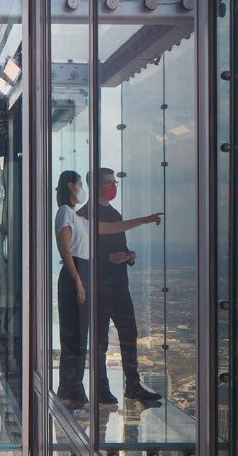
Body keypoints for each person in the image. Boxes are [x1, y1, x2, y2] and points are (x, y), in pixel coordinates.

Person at [54, 171, 161, 409]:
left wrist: (130, 251)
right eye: (108, 182)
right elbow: (70, 250)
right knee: (92, 340)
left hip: (117, 283)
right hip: (95, 284)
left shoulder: (103, 214)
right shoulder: (76, 214)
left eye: (115, 182)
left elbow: (114, 230)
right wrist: (88, 274)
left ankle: (130, 385)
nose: (114, 186)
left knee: (127, 333)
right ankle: (93, 391)